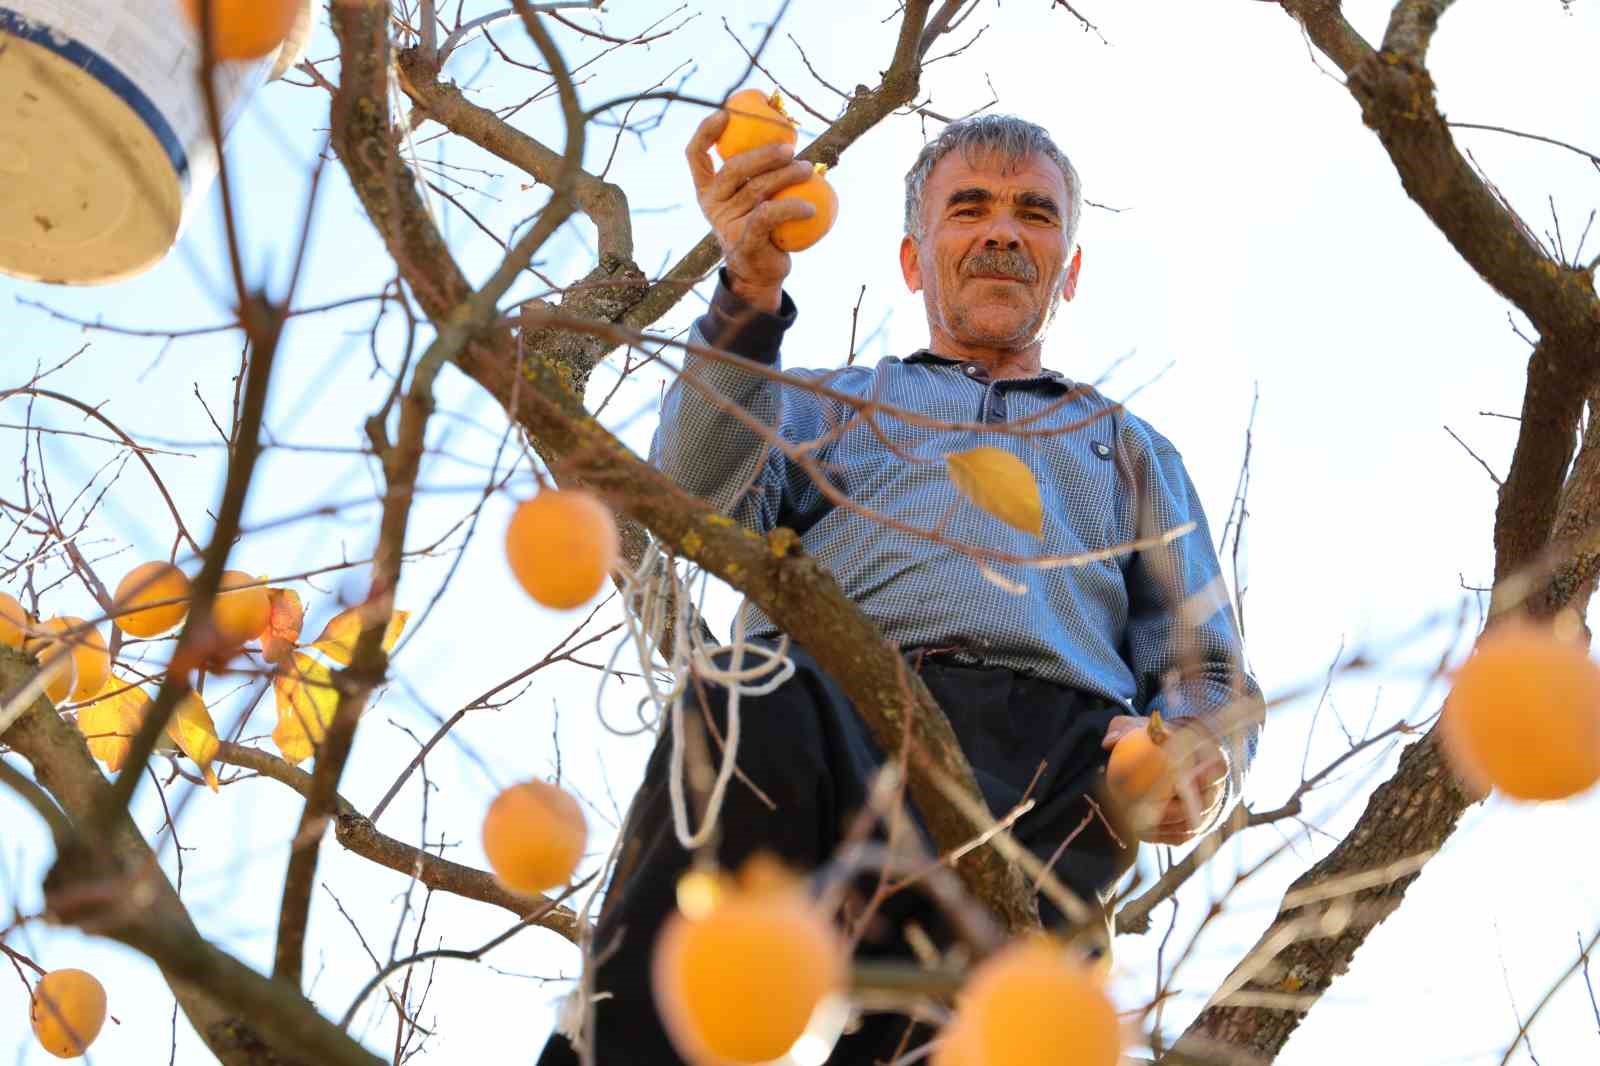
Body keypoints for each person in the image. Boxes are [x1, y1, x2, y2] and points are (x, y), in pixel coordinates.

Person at [538, 111, 1263, 1065]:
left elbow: (1202, 664)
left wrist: (1191, 761)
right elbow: (697, 483)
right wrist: (749, 287)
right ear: (916, 260)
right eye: (970, 207)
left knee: (963, 1040)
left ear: (1070, 269)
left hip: (1058, 767)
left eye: (1034, 214)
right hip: (843, 711)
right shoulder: (827, 406)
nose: (1002, 230)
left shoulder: (1129, 451)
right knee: (739, 697)